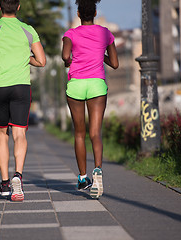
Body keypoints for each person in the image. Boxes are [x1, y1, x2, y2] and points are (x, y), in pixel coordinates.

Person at [0, 0, 46, 201]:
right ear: (19, 7)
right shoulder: (28, 29)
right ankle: (18, 177)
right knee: (20, 133)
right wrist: (26, 56)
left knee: (2, 132)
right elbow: (41, 61)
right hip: (21, 87)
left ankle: (5, 184)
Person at [62, 0, 119, 199]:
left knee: (79, 133)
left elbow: (65, 55)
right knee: (95, 132)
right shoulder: (105, 33)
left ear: (78, 13)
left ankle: (82, 177)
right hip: (96, 84)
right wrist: (99, 55)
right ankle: (98, 170)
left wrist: (72, 59)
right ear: (95, 12)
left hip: (76, 84)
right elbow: (115, 63)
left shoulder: (71, 34)